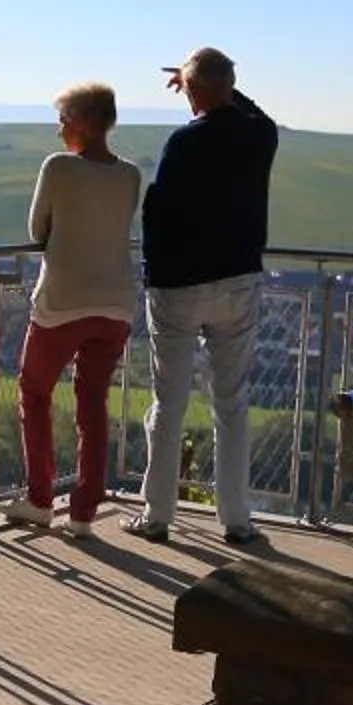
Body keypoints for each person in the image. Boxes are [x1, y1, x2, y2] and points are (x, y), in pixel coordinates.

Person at [126, 48, 278, 547]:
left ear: (192, 92)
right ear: (231, 87)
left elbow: (159, 213)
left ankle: (157, 516)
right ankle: (237, 520)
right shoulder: (261, 136)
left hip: (180, 287)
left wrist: (154, 276)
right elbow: (255, 113)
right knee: (231, 405)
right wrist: (214, 84)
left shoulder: (184, 142)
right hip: (239, 282)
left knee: (168, 404)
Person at [6, 82, 143, 535]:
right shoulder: (130, 175)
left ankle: (40, 499)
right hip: (116, 304)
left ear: (83, 122)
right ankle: (84, 513)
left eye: (64, 119)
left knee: (35, 392)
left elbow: (35, 227)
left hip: (62, 301)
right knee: (93, 403)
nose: (59, 129)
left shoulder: (59, 167)